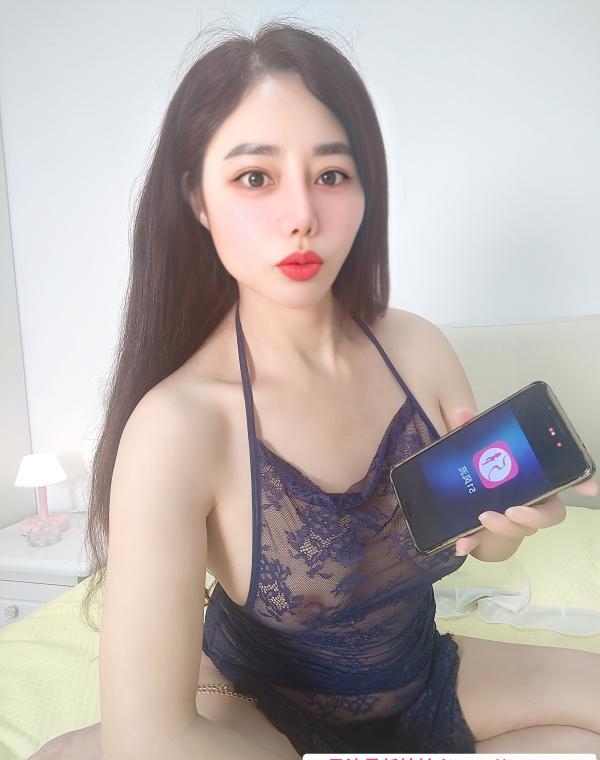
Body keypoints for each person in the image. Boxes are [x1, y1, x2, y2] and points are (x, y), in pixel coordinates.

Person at [29, 19, 600, 760]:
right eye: (255, 178)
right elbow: (151, 739)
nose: (301, 215)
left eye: (331, 175)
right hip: (255, 713)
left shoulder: (417, 349)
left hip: (420, 675)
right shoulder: (178, 426)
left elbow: (479, 544)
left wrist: (505, 528)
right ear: (198, 199)